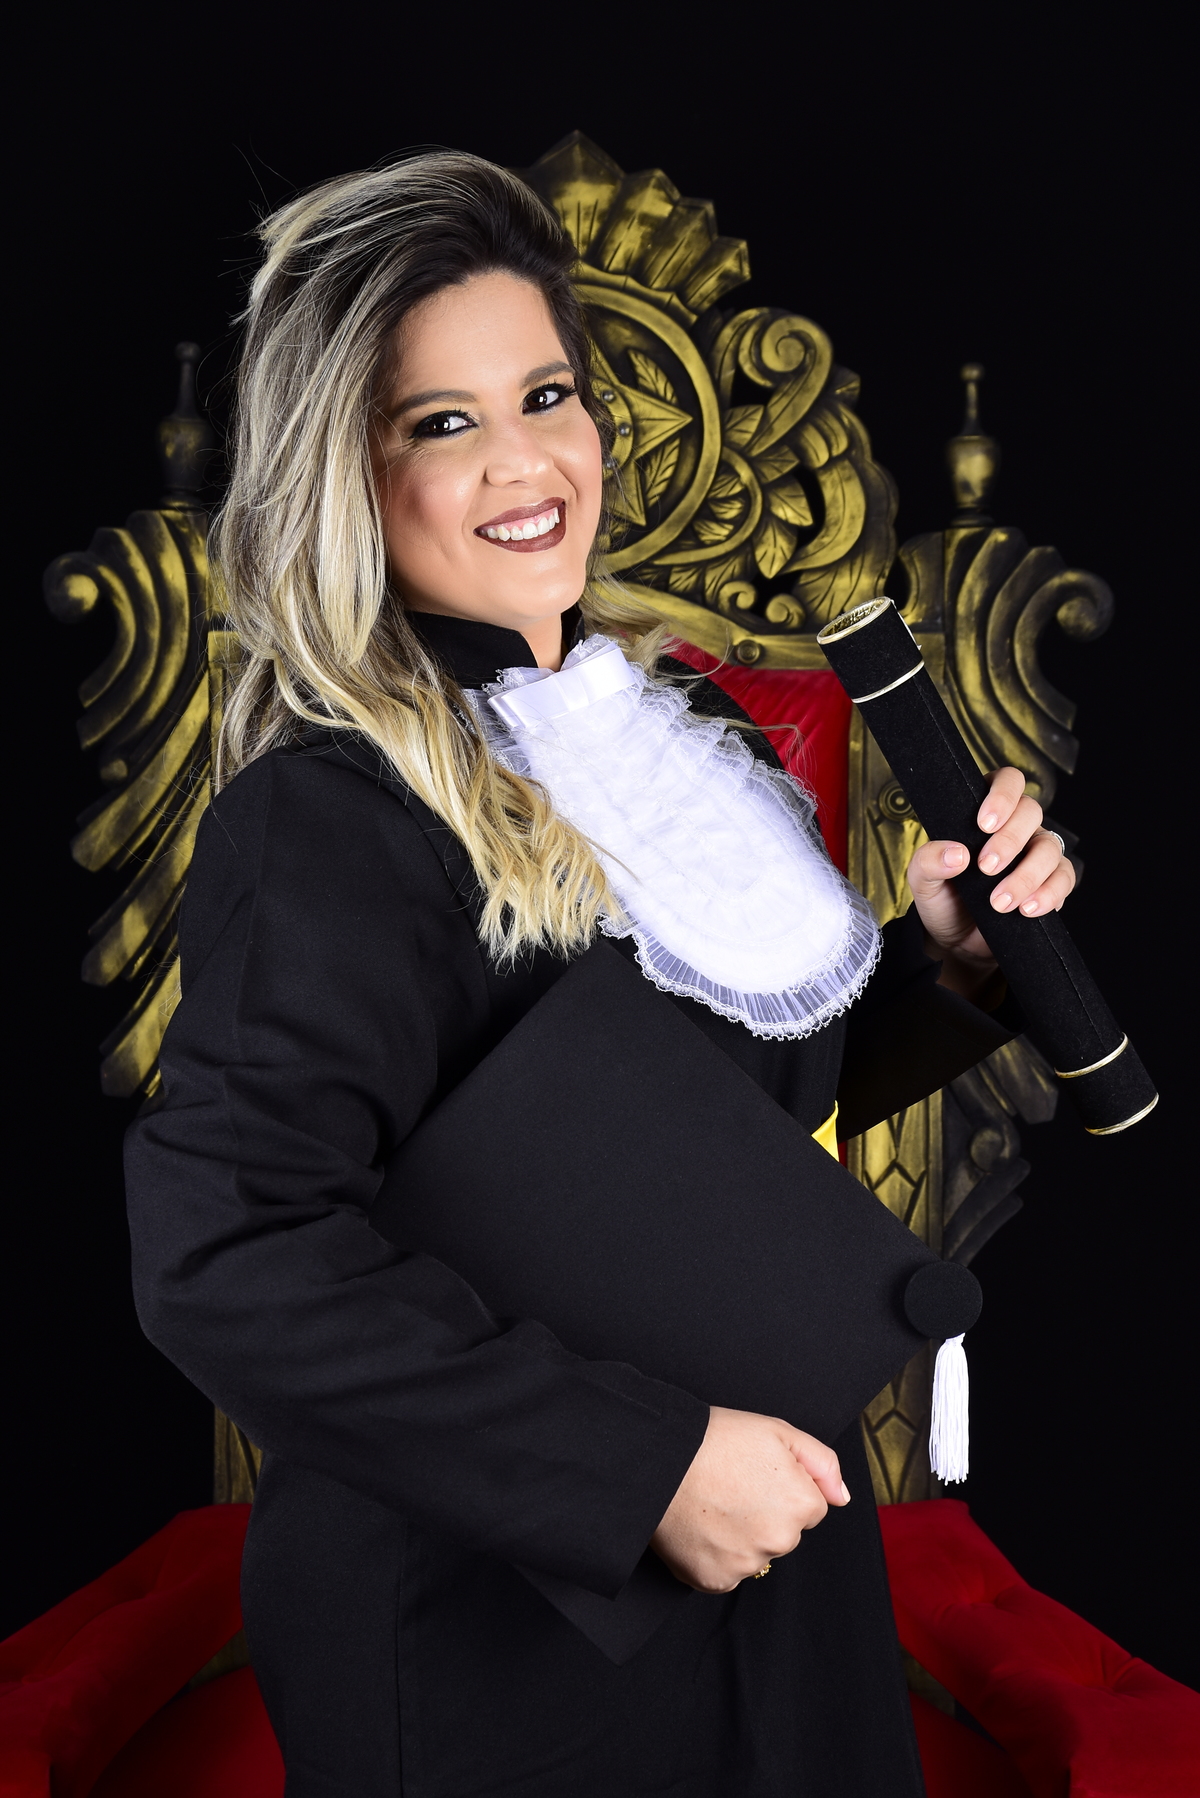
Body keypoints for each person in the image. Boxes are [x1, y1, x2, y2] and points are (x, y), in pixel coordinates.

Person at [124, 152, 1075, 1797]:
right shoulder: (328, 814)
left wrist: (948, 963)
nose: (526, 462)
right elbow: (231, 1253)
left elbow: (676, 1133)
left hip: (777, 1536)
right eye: (444, 421)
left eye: (547, 394)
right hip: (499, 1626)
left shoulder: (675, 727)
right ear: (346, 473)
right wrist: (646, 1471)